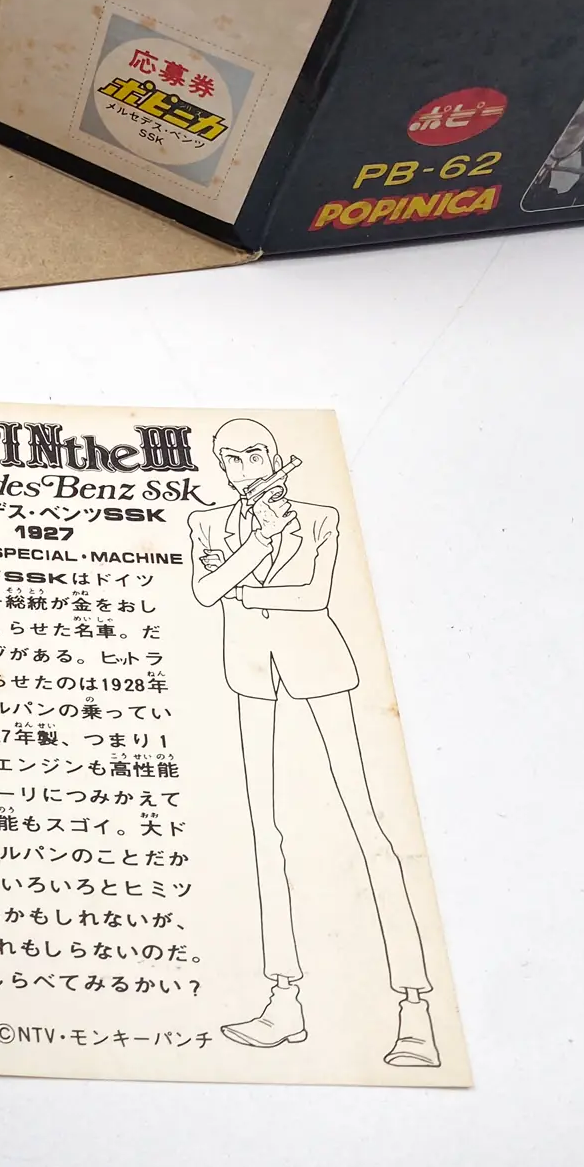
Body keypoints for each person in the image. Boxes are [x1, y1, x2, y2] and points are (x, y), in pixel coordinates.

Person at [188, 418, 438, 1067]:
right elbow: (205, 592)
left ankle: (414, 1005)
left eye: (254, 455)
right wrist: (256, 547)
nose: (244, 467)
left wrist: (242, 580)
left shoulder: (319, 516)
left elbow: (313, 595)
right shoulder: (207, 523)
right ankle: (284, 998)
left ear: (274, 457)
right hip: (250, 677)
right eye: (230, 458)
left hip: (320, 667)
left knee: (367, 823)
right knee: (266, 831)